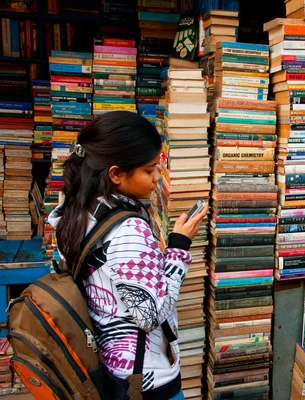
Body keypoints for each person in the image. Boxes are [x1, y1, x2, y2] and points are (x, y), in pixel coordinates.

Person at [48, 111, 208, 400]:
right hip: (147, 378)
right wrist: (179, 247)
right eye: (149, 170)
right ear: (116, 174)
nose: (158, 178)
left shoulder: (75, 212)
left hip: (109, 366)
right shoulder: (129, 229)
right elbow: (150, 314)